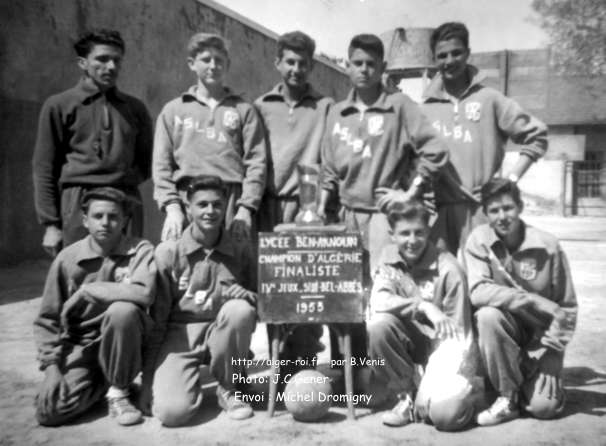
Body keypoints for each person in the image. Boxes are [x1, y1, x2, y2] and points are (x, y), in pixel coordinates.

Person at [318, 33, 448, 276]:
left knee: (383, 289)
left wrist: (410, 193)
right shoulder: (337, 112)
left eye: (371, 64)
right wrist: (321, 208)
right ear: (348, 67)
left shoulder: (399, 105)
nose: (364, 70)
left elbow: (436, 150)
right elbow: (329, 169)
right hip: (346, 216)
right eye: (358, 63)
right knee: (347, 292)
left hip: (384, 217)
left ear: (383, 68)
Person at [421, 22, 548, 257]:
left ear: (468, 53)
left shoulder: (490, 99)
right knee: (441, 283)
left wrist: (510, 181)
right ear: (434, 60)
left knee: (484, 282)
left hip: (482, 209)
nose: (449, 60)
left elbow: (536, 135)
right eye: (442, 55)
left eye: (456, 53)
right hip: (440, 211)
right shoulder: (425, 109)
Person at [33, 187, 156, 427]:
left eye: (113, 217)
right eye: (98, 216)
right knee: (49, 412)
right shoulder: (68, 259)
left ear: (125, 221)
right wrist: (52, 368)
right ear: (85, 220)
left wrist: (91, 290)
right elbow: (48, 319)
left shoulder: (140, 250)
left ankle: (119, 389)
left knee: (122, 311)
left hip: (130, 343)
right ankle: (103, 382)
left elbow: (145, 293)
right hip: (83, 346)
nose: (105, 223)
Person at [142, 175, 257, 426]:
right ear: (187, 208)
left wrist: (248, 298)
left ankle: (229, 387)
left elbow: (259, 301)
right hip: (180, 336)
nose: (210, 211)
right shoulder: (168, 253)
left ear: (226, 206)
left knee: (240, 310)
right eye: (202, 204)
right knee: (173, 414)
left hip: (222, 334)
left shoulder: (240, 248)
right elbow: (157, 319)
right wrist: (148, 381)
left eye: (217, 204)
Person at [464, 178, 577, 426]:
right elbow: (478, 291)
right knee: (487, 315)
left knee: (545, 409)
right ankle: (508, 396)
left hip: (539, 341)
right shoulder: (478, 240)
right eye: (494, 210)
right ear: (485, 213)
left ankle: (528, 377)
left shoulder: (548, 246)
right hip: (505, 334)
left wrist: (554, 353)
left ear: (521, 207)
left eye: (508, 208)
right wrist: (531, 300)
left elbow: (567, 306)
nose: (502, 216)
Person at [32, 29, 153, 257]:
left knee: (127, 274)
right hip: (78, 201)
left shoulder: (135, 108)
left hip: (125, 199)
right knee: (80, 273)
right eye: (102, 59)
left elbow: (146, 162)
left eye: (116, 60)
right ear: (83, 63)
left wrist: (122, 184)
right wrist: (51, 225)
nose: (111, 67)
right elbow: (44, 168)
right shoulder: (60, 105)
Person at [254, 30, 333, 364]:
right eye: (290, 61)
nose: (296, 69)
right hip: (268, 209)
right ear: (277, 63)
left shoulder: (325, 107)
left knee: (306, 290)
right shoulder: (260, 106)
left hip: (306, 211)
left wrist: (319, 207)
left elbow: (329, 160)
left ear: (311, 66)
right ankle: (273, 363)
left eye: (303, 63)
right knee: (270, 288)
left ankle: (301, 363)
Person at [367, 200, 475, 430]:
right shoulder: (388, 257)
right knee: (378, 324)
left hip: (446, 352)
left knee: (444, 417)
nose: (412, 240)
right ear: (392, 235)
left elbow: (459, 339)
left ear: (429, 232)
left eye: (419, 233)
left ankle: (466, 395)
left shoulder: (449, 269)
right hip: (412, 347)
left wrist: (428, 384)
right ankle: (405, 394)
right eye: (404, 233)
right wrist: (424, 306)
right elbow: (379, 300)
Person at [153, 33, 266, 242]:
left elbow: (256, 163)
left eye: (219, 60)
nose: (213, 66)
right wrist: (172, 207)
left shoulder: (243, 109)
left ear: (227, 64)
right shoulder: (174, 109)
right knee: (182, 263)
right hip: (187, 197)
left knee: (233, 264)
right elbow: (161, 165)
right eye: (206, 60)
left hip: (230, 199)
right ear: (191, 64)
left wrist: (246, 208)